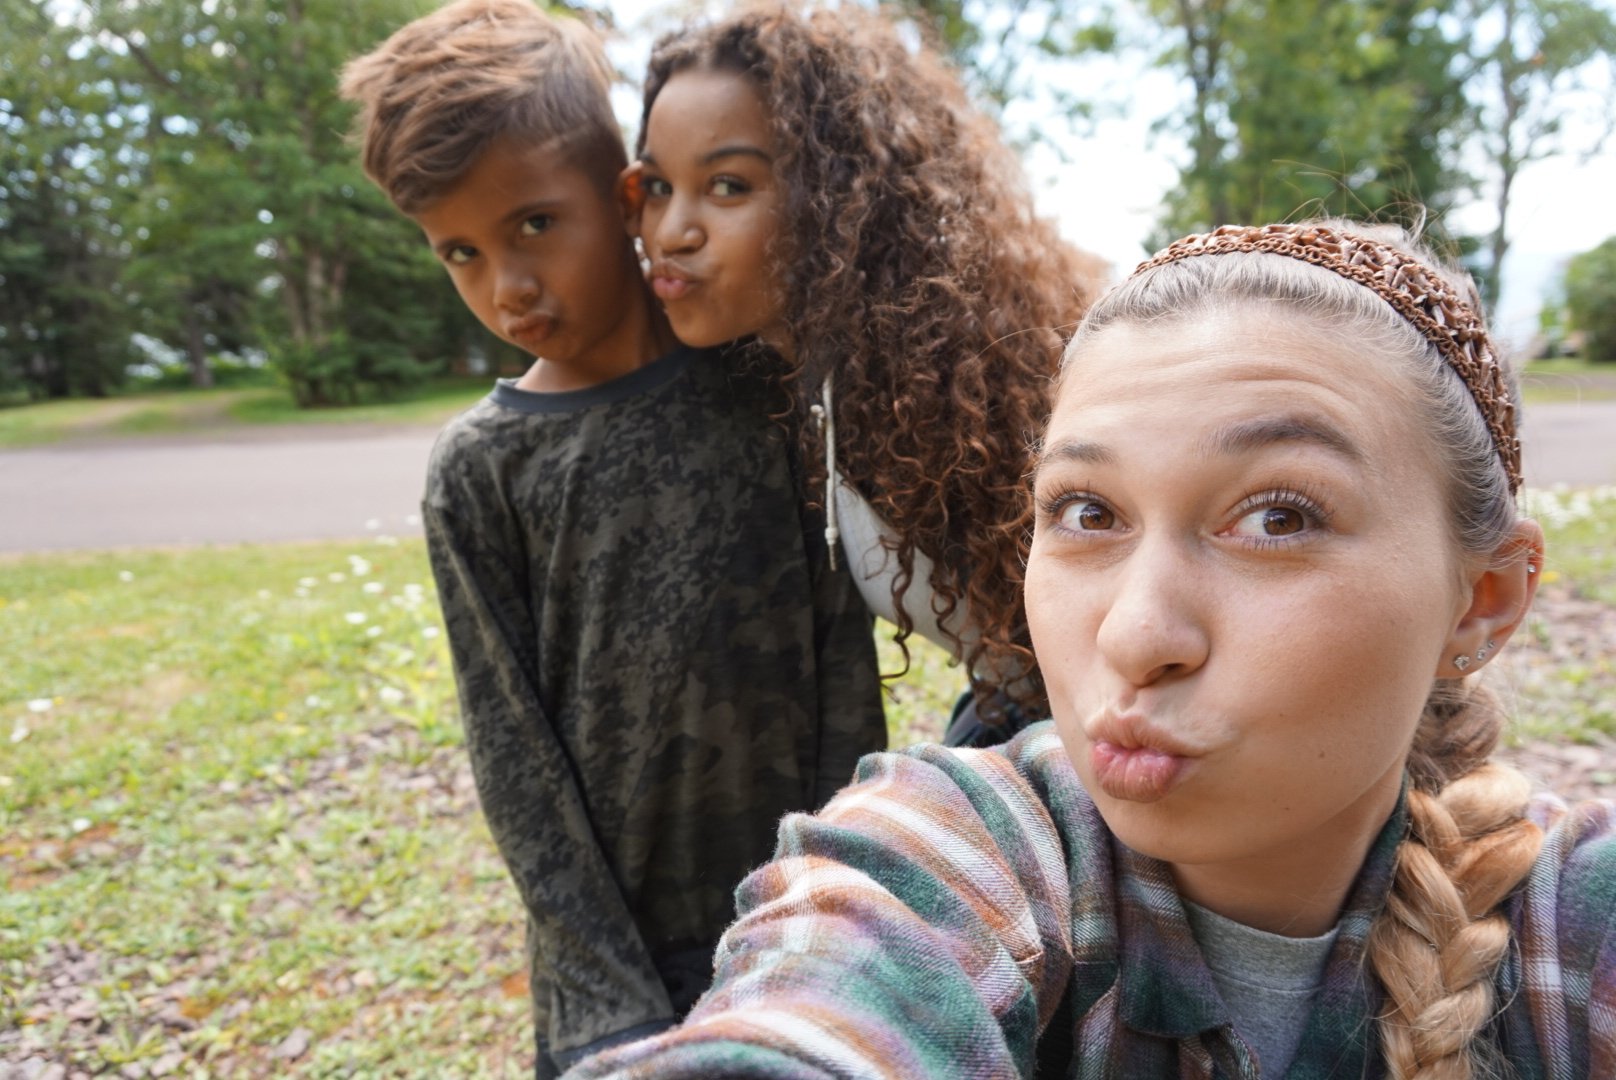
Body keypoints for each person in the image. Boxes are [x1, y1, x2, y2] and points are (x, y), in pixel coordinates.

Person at [564, 221, 1616, 1079]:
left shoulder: (1570, 930)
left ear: (1480, 599)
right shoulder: (958, 857)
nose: (1132, 632)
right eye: (1085, 511)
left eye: (1278, 518)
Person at [340, 3, 887, 1075]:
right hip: (613, 974)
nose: (507, 287)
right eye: (460, 252)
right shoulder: (480, 471)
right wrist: (608, 1002)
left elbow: (838, 661)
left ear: (626, 194)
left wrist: (828, 902)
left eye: (533, 224)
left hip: (797, 921)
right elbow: (516, 760)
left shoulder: (764, 384)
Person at [629, 6, 1106, 737]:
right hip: (1017, 712)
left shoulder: (958, 383)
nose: (671, 232)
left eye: (727, 186)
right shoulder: (790, 383)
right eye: (656, 187)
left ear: (839, 201)